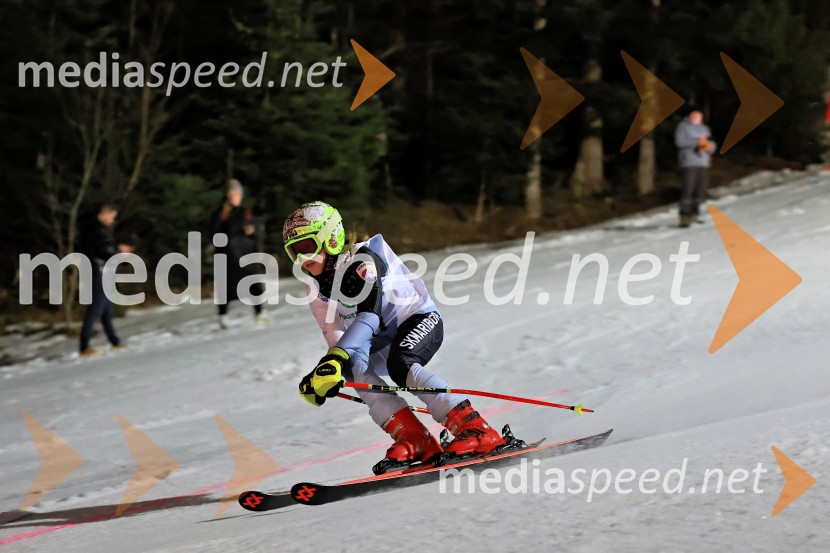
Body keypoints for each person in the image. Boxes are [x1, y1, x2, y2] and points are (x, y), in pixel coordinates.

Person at [283, 201, 505, 474]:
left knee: (401, 364)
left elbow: (369, 316)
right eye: (294, 252)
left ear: (331, 238)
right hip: (380, 341)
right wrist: (324, 373)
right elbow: (337, 340)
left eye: (306, 247)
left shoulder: (363, 261)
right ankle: (414, 439)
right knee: (352, 367)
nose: (302, 259)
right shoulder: (316, 290)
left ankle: (476, 429)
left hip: (419, 321)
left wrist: (335, 359)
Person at [77, 203, 133, 357]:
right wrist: (120, 253)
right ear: (104, 213)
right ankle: (84, 346)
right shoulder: (97, 229)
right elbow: (103, 250)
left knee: (106, 309)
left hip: (98, 270)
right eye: (112, 216)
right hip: (100, 271)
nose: (112, 220)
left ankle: (114, 341)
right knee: (96, 309)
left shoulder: (90, 228)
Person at [210, 179, 266, 328]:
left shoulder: (245, 212)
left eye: (237, 194)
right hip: (227, 254)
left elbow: (254, 228)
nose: (235, 197)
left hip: (244, 252)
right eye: (232, 193)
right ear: (227, 195)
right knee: (225, 287)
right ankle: (223, 317)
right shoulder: (221, 212)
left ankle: (259, 313)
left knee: (253, 283)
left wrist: (252, 231)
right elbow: (213, 232)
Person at [674, 107, 716, 227]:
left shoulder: (705, 129)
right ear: (690, 116)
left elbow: (712, 144)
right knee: (688, 189)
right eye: (694, 115)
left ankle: (694, 214)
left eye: (699, 115)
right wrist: (697, 142)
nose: (697, 117)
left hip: (703, 163)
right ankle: (684, 217)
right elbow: (680, 142)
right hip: (689, 163)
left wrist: (709, 146)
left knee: (700, 190)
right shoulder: (683, 127)